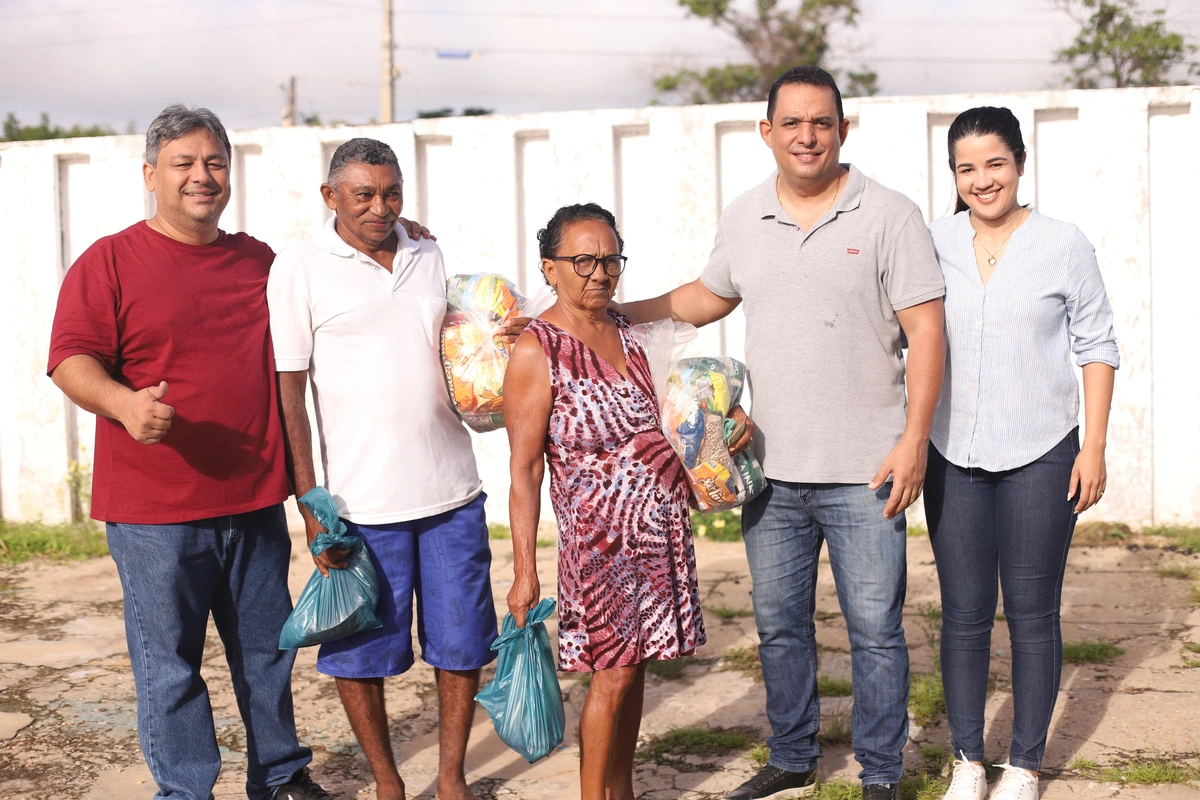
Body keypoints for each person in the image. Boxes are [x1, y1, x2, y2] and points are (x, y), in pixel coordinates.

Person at [618, 66, 947, 800]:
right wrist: (611, 314)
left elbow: (927, 331)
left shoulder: (889, 214)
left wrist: (914, 439)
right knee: (781, 629)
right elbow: (704, 298)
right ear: (766, 132)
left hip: (869, 469)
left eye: (821, 122)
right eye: (791, 123)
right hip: (768, 472)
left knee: (877, 634)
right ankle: (793, 755)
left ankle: (882, 774)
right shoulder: (744, 217)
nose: (807, 135)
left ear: (843, 129)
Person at [47, 104, 331, 800]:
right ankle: (185, 791)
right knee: (170, 665)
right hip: (155, 513)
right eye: (184, 163)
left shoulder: (257, 261)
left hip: (255, 500)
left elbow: (332, 279)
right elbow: (68, 358)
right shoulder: (110, 261)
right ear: (151, 175)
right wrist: (122, 404)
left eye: (214, 162)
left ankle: (282, 778)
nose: (202, 177)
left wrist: (401, 234)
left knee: (268, 655)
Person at [268, 137, 515, 800]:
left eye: (392, 193)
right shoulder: (299, 265)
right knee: (359, 656)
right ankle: (387, 784)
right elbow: (289, 389)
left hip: (453, 495)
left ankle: (452, 777)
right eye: (363, 195)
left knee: (464, 645)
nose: (381, 208)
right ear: (331, 198)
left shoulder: (427, 253)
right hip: (360, 508)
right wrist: (310, 503)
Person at [505, 203, 743, 800]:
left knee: (635, 672)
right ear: (550, 268)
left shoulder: (635, 335)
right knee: (610, 678)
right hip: (600, 548)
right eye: (582, 259)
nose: (599, 272)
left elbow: (674, 416)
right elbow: (525, 467)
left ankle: (622, 791)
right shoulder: (536, 349)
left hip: (659, 534)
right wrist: (524, 570)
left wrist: (725, 422)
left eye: (610, 259)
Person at [925, 107, 1118, 800]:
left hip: (1042, 453)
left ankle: (1024, 765)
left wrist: (1091, 447)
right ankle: (969, 760)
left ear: (1020, 163)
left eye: (994, 163)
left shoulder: (1063, 244)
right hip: (953, 457)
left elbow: (1097, 347)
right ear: (953, 176)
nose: (982, 180)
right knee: (964, 613)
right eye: (966, 168)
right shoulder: (931, 242)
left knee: (1033, 612)